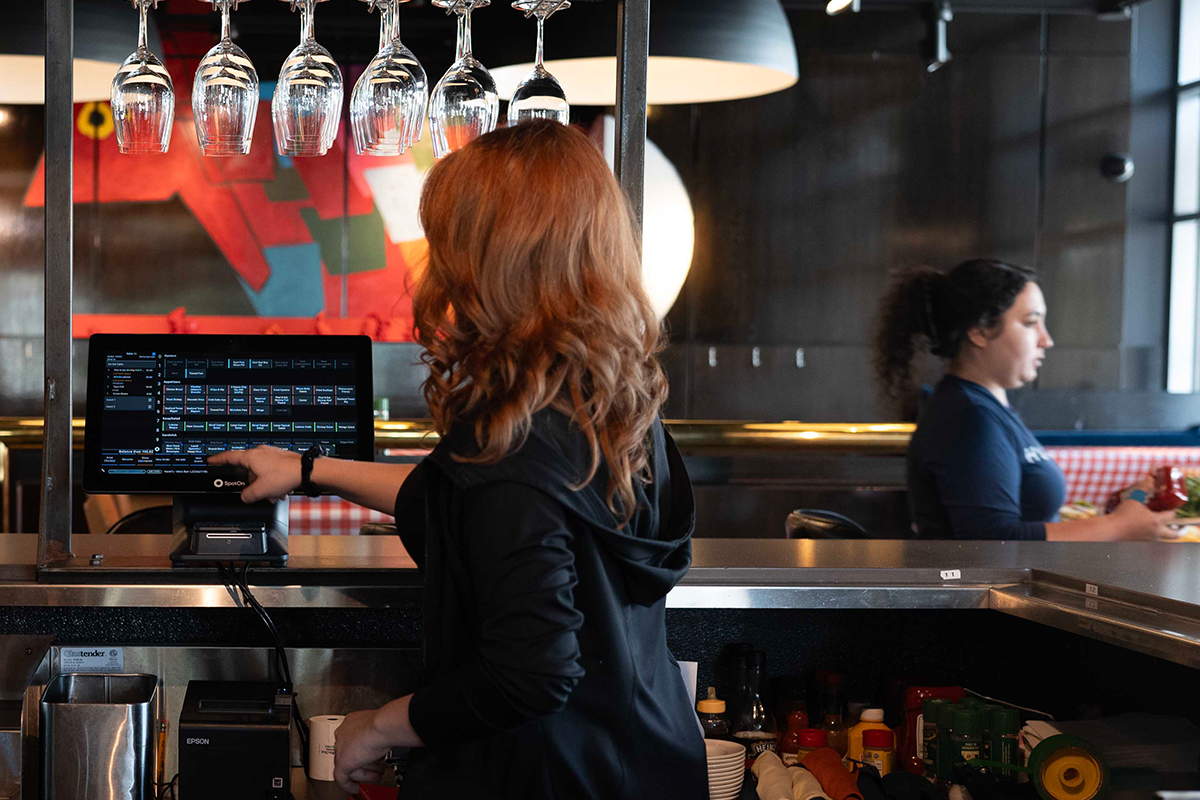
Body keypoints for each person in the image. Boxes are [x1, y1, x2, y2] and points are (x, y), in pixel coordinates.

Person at [208, 120, 707, 799]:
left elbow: (529, 674)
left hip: (546, 779)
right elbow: (458, 502)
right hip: (644, 759)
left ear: (487, 259)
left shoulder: (517, 449)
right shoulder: (606, 402)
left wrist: (378, 727)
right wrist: (306, 467)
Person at [873, 258, 1175, 541]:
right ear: (980, 331)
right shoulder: (969, 418)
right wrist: (1117, 525)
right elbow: (993, 540)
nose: (1046, 339)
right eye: (1031, 323)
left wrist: (1127, 506)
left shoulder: (983, 407)